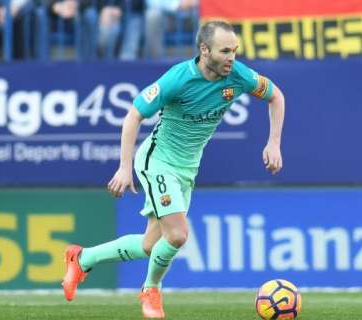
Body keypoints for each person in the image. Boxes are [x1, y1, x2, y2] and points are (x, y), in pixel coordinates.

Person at [61, 20, 285, 319]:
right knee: (178, 234)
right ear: (204, 50)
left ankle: (82, 258)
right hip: (157, 161)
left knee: (149, 244)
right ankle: (150, 290)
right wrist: (125, 168)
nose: (232, 57)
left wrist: (273, 143)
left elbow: (276, 97)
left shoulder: (238, 76)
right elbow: (132, 117)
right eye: (225, 51)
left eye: (235, 50)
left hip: (186, 169)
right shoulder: (178, 79)